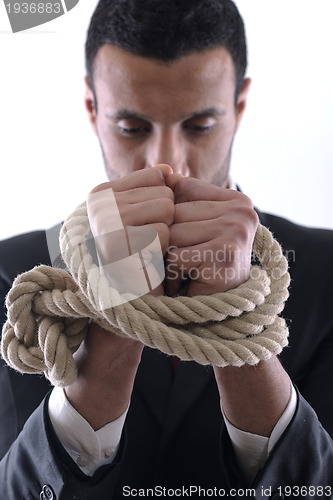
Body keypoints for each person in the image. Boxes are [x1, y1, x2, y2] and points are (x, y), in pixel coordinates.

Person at [0, 0, 332, 498]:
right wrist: (107, 342)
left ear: (239, 107)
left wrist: (238, 331)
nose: (168, 163)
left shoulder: (328, 274)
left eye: (199, 126)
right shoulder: (12, 280)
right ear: (93, 110)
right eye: (132, 128)